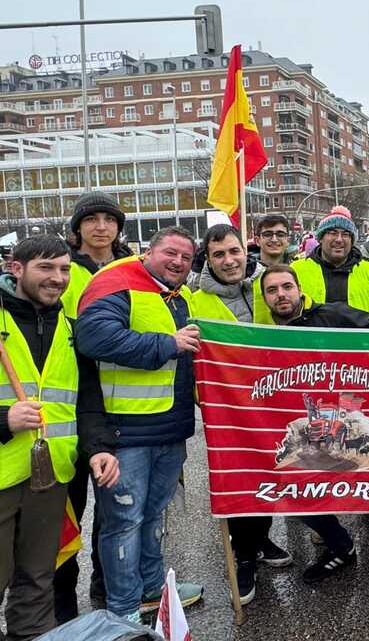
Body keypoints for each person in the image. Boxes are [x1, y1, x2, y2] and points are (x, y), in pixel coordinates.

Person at [257, 265, 369, 601]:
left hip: (361, 417)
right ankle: (341, 547)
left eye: (286, 287)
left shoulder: (333, 313)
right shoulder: (264, 336)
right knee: (295, 487)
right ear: (265, 298)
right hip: (314, 428)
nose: (281, 295)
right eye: (272, 290)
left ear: (300, 289)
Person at [75, 226, 204, 624]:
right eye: (170, 252)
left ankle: (151, 588)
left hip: (168, 430)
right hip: (125, 433)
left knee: (153, 516)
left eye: (185, 257)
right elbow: (94, 338)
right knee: (124, 523)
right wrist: (167, 344)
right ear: (150, 251)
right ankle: (123, 608)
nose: (178, 262)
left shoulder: (175, 296)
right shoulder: (116, 281)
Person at [0, 236, 108, 640]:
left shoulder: (70, 330)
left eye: (64, 269)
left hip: (50, 477)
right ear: (16, 268)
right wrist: (3, 419)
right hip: (2, 476)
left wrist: (97, 450)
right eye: (46, 268)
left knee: (37, 579)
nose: (58, 278)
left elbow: (87, 401)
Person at [188, 225, 291, 606]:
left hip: (276, 404)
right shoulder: (195, 301)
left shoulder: (267, 286)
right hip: (231, 410)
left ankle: (259, 539)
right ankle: (243, 556)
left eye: (234, 251)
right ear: (208, 259)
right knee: (241, 481)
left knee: (273, 475)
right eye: (219, 255)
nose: (229, 260)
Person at [56, 191, 132, 619]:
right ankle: (61, 598)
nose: (100, 226)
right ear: (78, 227)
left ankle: (106, 585)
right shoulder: (66, 271)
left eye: (109, 219)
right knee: (68, 510)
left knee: (113, 506)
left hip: (119, 402)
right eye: (91, 219)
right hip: (72, 401)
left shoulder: (129, 269)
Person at [291, 206, 369, 322]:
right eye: (332, 233)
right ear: (320, 238)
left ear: (352, 241)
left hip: (360, 340)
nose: (339, 239)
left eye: (345, 234)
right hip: (312, 339)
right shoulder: (296, 270)